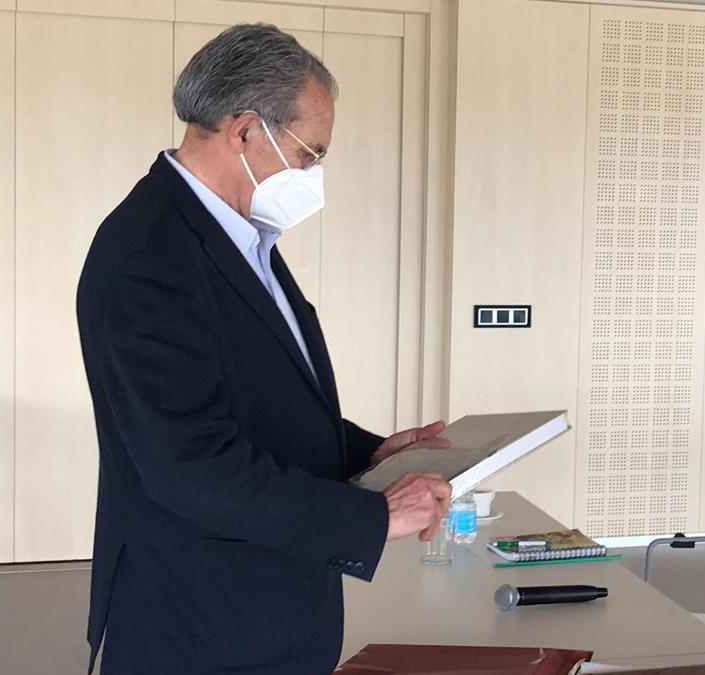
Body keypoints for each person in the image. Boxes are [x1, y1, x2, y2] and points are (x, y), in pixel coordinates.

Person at [76, 24, 452, 674]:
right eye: (310, 155)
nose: (312, 176)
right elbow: (189, 463)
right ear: (245, 130)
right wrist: (370, 516)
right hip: (201, 627)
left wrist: (368, 451)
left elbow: (259, 402)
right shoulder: (148, 254)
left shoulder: (238, 235)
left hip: (264, 610)